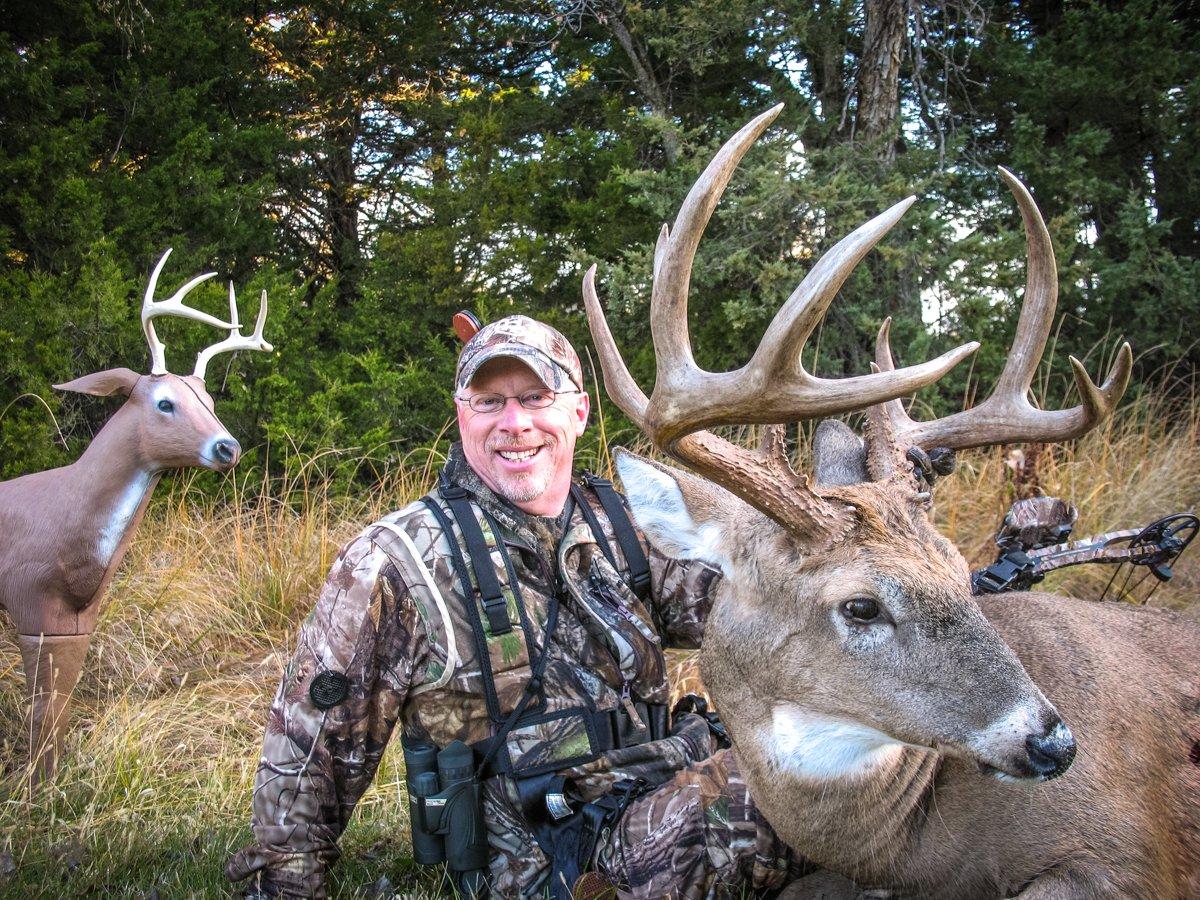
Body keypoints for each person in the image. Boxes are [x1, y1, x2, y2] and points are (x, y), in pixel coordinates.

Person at [226, 315, 799, 899]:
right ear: (460, 415)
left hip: (657, 785)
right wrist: (285, 887)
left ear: (578, 412)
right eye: (488, 402)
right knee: (784, 791)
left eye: (534, 397)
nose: (514, 423)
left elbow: (759, 613)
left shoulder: (623, 525)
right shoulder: (396, 562)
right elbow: (309, 754)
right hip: (548, 861)